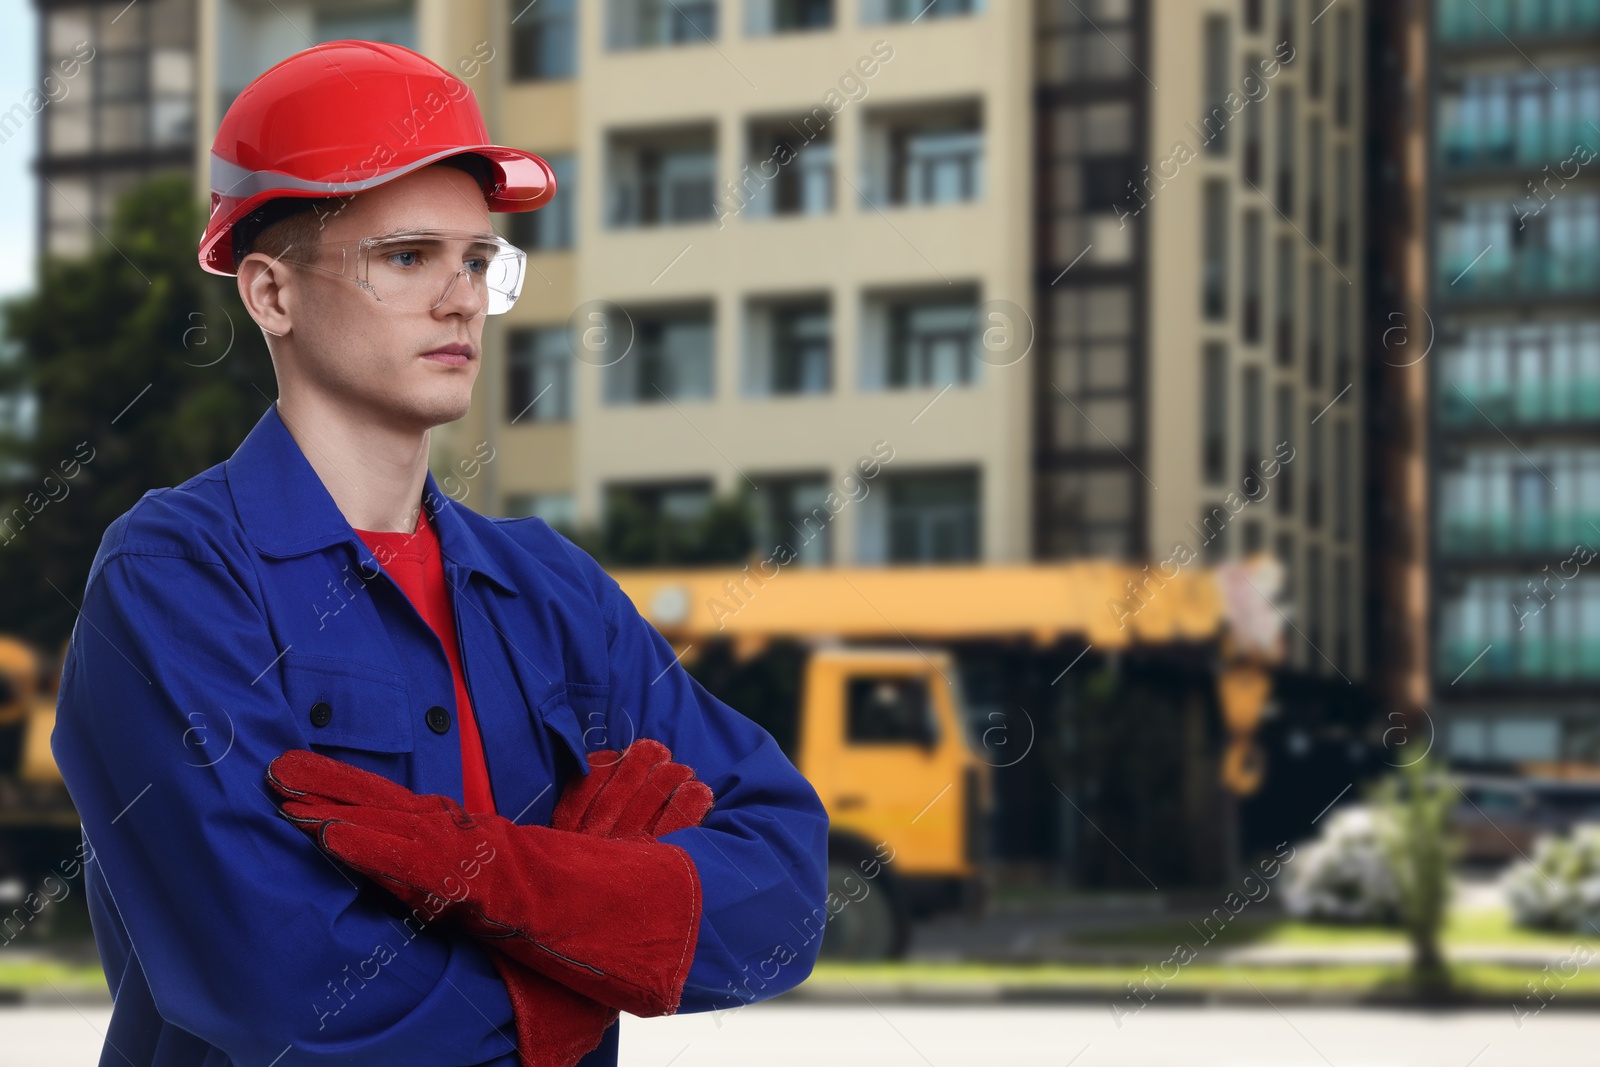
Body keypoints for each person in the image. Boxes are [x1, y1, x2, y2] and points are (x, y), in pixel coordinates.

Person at [52, 40, 829, 1067]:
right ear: (270, 295)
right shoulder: (175, 579)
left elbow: (782, 890)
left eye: (476, 261)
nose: (462, 298)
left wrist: (507, 878)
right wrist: (591, 953)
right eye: (406, 257)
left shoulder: (551, 590)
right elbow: (285, 986)